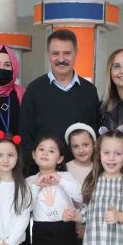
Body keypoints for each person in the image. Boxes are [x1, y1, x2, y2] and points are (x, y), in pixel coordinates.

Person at [19, 29, 99, 171]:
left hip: (80, 174)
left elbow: (94, 135)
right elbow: (25, 136)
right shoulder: (34, 90)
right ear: (48, 54)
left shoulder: (89, 91)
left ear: (76, 53)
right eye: (55, 53)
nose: (61, 59)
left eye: (67, 53)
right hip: (42, 174)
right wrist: (34, 173)